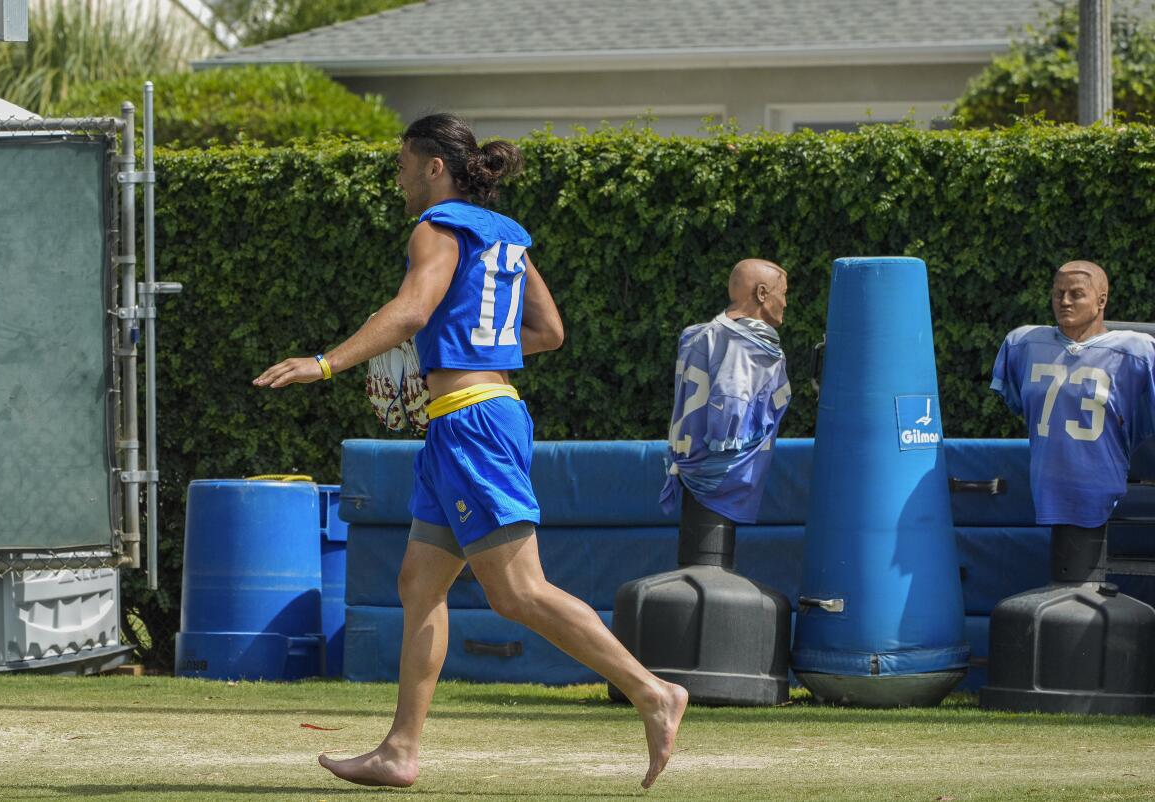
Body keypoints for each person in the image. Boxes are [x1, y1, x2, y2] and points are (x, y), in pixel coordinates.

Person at [253, 113, 687, 790]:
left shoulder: (436, 226)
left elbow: (410, 312)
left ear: (434, 166)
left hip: (471, 425)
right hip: (473, 419)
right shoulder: (507, 236)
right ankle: (400, 751)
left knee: (518, 593)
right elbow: (549, 331)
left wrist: (325, 362)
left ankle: (652, 692)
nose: (396, 178)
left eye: (402, 164)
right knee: (419, 584)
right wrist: (469, 354)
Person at [991, 260, 1155, 559]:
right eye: (1058, 293)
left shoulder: (1137, 352)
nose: (1064, 302)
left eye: (1076, 294)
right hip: (1047, 479)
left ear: (1101, 299)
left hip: (1101, 480)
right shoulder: (1023, 343)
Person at [660, 259, 792, 523]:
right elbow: (730, 402)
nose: (786, 303)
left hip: (688, 465)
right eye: (783, 293)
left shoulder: (697, 335)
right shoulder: (745, 343)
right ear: (762, 293)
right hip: (720, 476)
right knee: (712, 558)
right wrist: (728, 440)